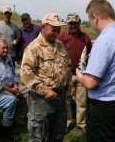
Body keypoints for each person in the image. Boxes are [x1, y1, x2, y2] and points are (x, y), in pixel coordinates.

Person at [75, 0, 115, 142]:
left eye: (90, 21)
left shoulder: (104, 40)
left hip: (105, 108)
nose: (91, 26)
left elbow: (90, 82)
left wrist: (79, 75)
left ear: (95, 17)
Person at [21, 13, 73, 142]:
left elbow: (67, 66)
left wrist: (69, 84)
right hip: (41, 101)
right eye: (54, 30)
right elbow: (26, 75)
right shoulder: (33, 48)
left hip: (60, 99)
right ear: (42, 27)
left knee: (58, 133)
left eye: (59, 30)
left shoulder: (60, 45)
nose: (57, 33)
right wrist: (44, 91)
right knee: (39, 135)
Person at [57, 12, 92, 134]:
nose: (73, 25)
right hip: (66, 75)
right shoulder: (61, 37)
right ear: (67, 23)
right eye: (70, 23)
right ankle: (67, 122)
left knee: (81, 101)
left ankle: (81, 123)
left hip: (81, 74)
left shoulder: (85, 37)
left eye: (75, 23)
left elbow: (90, 55)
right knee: (65, 101)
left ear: (79, 23)